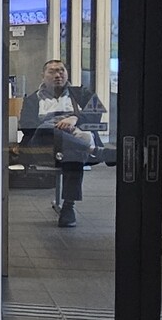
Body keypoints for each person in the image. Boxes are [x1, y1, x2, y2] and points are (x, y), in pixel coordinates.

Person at [18, 59, 106, 227]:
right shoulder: (32, 99)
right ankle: (93, 150)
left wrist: (75, 118)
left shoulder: (81, 93)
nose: (58, 75)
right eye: (52, 71)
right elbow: (26, 126)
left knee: (73, 154)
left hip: (72, 141)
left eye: (61, 71)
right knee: (48, 129)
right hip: (45, 144)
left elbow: (96, 115)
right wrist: (54, 127)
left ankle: (68, 207)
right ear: (43, 76)